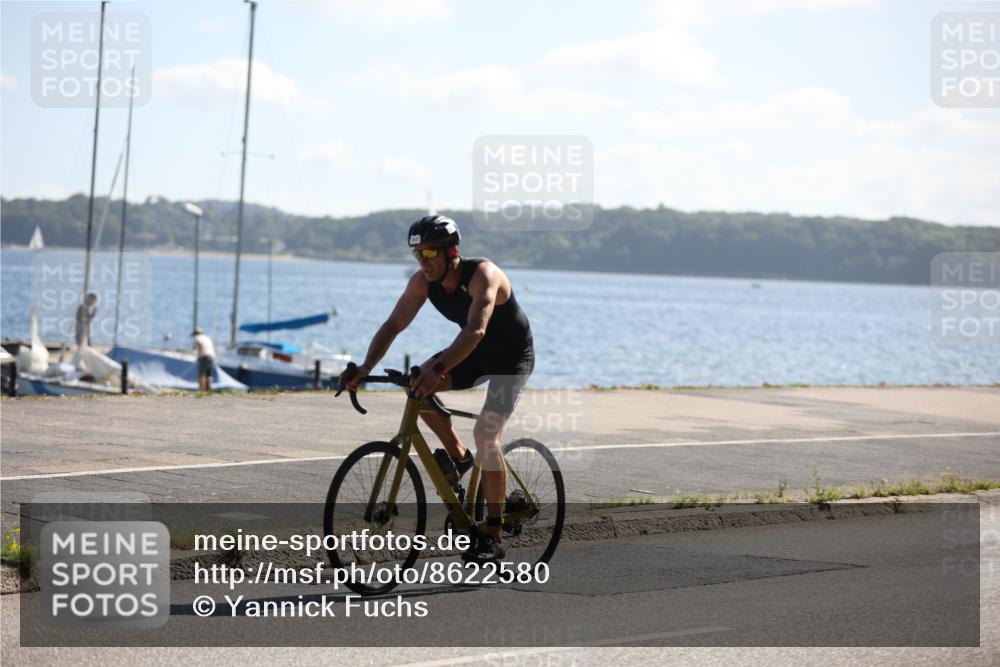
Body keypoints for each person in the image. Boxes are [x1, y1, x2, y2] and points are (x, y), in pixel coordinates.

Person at [341, 215, 534, 564]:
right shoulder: (422, 283)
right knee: (416, 385)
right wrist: (365, 368)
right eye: (417, 255)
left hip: (510, 359)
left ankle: (493, 535)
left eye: (430, 254)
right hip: (472, 356)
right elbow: (393, 324)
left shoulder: (484, 276)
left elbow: (475, 330)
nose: (423, 263)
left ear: (452, 252)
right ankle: (460, 459)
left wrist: (441, 366)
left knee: (486, 435)